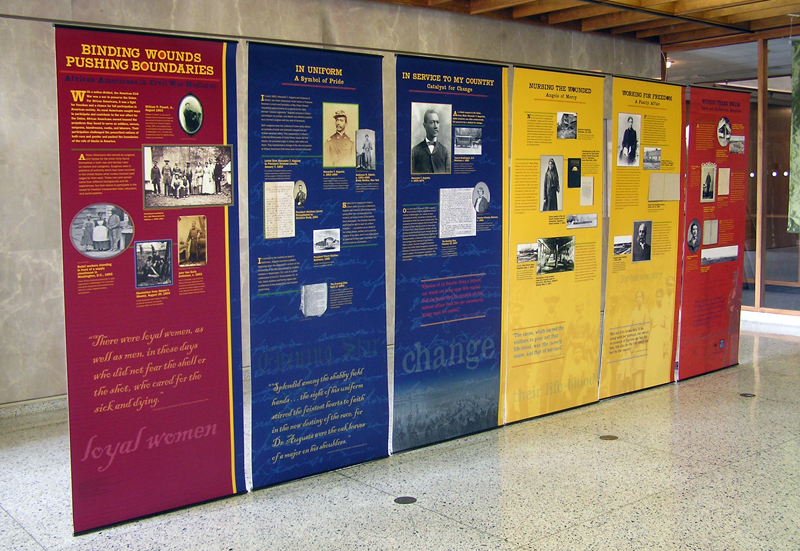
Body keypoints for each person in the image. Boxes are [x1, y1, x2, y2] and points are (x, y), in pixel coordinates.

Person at [412, 109, 450, 174]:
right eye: (432, 122)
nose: (436, 126)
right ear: (425, 126)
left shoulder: (444, 152)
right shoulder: (415, 151)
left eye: (437, 122)